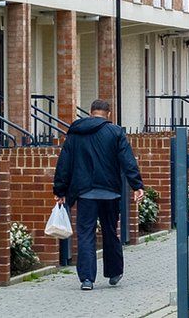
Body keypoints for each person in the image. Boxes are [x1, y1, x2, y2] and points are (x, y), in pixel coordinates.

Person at [52, 99, 144, 291]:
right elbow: (127, 160)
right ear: (108, 114)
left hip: (85, 193)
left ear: (90, 112)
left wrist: (60, 190)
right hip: (110, 192)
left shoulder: (75, 133)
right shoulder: (116, 132)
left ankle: (87, 279)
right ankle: (114, 272)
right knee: (110, 231)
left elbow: (64, 163)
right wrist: (136, 185)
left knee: (85, 234)